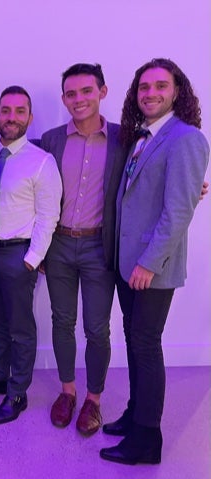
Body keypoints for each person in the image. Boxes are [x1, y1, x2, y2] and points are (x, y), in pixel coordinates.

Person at [100, 58, 209, 465]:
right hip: (129, 263)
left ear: (176, 91)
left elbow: (178, 212)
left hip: (151, 268)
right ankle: (135, 414)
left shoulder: (186, 139)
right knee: (135, 341)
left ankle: (147, 440)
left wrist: (149, 263)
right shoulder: (140, 137)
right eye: (144, 87)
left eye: (160, 86)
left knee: (146, 346)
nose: (151, 93)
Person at [39, 64, 127, 435]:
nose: (79, 99)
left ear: (102, 92)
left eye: (86, 91)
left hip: (98, 246)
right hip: (58, 243)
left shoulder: (126, 139)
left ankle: (93, 399)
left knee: (97, 329)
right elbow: (32, 186)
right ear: (64, 99)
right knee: (62, 321)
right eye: (71, 94)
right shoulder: (51, 139)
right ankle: (67, 391)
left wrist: (193, 185)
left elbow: (154, 171)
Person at [0, 86, 62, 424]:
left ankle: (18, 391)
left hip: (17, 256)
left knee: (20, 328)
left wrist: (32, 259)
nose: (11, 117)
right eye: (5, 111)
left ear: (30, 118)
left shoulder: (42, 162)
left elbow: (49, 215)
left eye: (19, 111)